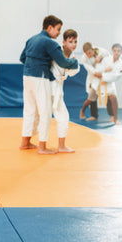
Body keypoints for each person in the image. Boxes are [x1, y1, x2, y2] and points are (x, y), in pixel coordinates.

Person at [19, 15, 78, 155]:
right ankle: (42, 147)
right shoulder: (50, 43)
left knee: (30, 111)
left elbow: (22, 58)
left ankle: (25, 142)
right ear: (50, 27)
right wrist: (76, 63)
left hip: (27, 77)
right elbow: (63, 62)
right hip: (40, 78)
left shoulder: (31, 40)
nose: (58, 33)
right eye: (58, 29)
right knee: (45, 113)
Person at [50, 29, 80, 153]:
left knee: (44, 117)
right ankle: (60, 146)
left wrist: (70, 64)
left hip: (56, 88)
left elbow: (73, 72)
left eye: (75, 41)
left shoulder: (73, 57)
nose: (73, 44)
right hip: (49, 86)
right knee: (62, 116)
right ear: (64, 42)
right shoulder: (56, 52)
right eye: (70, 41)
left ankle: (29, 142)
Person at [90, 43, 122, 124]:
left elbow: (116, 76)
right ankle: (94, 116)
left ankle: (115, 118)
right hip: (99, 81)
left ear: (121, 52)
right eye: (115, 50)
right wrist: (101, 70)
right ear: (112, 51)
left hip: (109, 83)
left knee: (113, 98)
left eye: (118, 51)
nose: (116, 52)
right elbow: (100, 68)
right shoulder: (106, 59)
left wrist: (102, 75)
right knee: (92, 97)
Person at [79, 42, 111, 121]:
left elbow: (110, 61)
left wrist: (102, 62)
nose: (88, 55)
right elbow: (92, 70)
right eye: (86, 53)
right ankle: (93, 115)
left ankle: (112, 116)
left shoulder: (102, 52)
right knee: (91, 98)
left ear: (93, 49)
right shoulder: (84, 58)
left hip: (103, 76)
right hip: (93, 77)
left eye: (89, 53)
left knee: (109, 95)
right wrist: (97, 63)